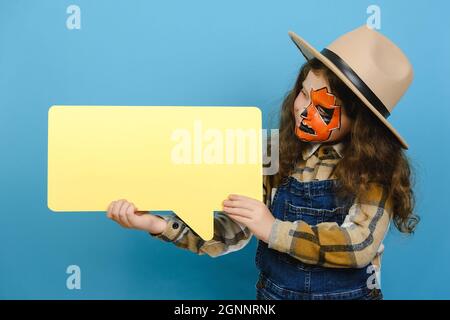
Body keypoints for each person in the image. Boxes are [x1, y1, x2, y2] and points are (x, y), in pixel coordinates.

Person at [106, 25, 419, 300]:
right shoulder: (276, 153)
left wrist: (273, 230)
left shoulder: (374, 169)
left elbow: (358, 244)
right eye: (303, 94)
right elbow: (233, 228)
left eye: (324, 110)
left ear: (361, 123)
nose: (303, 111)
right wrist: (156, 224)